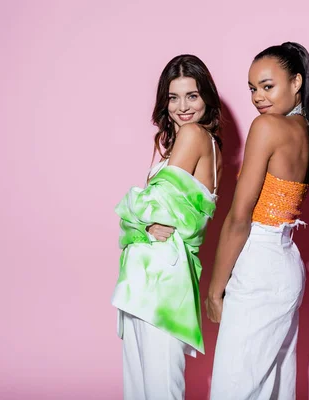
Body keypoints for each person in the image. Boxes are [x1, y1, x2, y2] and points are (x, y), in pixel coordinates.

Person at [205, 42, 309, 399]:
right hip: (286, 264)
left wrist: (215, 290)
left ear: (296, 82)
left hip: (260, 264)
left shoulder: (268, 127)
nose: (257, 97)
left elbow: (239, 218)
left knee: (234, 388)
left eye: (267, 85)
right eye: (252, 88)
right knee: (273, 388)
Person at [111, 54, 223, 400]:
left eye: (192, 96)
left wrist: (131, 214)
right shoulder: (169, 145)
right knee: (142, 389)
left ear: (206, 97)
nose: (182, 107)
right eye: (173, 97)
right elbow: (140, 221)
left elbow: (147, 207)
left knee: (159, 389)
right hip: (144, 276)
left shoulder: (194, 135)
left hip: (164, 277)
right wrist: (138, 227)